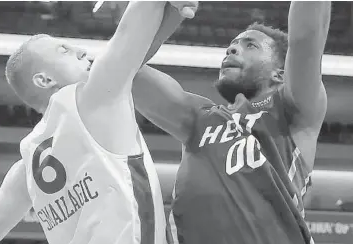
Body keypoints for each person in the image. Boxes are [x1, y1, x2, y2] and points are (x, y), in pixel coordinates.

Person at [0, 2, 197, 244]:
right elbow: (135, 26)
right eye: (63, 50)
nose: (80, 50)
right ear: (44, 79)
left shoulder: (26, 166)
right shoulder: (92, 97)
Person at [132, 2, 330, 244]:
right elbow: (128, 71)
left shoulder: (291, 111)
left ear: (280, 74)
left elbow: (306, 38)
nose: (232, 50)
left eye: (250, 45)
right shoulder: (200, 117)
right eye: (231, 46)